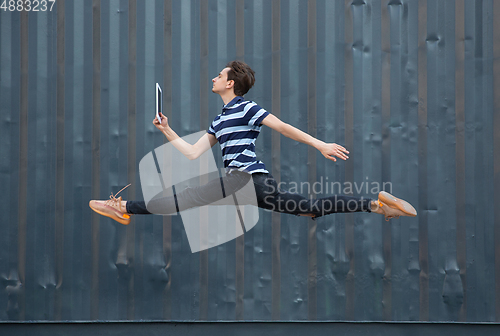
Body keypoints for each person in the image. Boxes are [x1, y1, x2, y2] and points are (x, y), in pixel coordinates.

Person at [89, 61, 416, 226]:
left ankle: (122, 207)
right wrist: (167, 131)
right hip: (253, 183)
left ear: (230, 83)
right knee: (309, 210)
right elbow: (192, 153)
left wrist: (320, 144)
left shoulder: (246, 107)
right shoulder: (219, 120)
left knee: (185, 197)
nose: (213, 79)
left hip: (242, 178)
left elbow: (283, 127)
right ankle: (377, 204)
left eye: (219, 76)